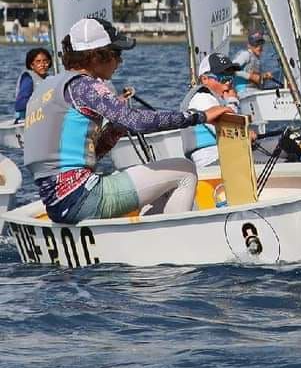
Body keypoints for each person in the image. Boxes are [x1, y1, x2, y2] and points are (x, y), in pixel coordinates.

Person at [22, 17, 233, 223]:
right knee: (185, 170)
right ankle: (169, 244)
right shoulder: (84, 85)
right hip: (82, 196)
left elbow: (89, 153)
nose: (120, 61)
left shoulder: (47, 88)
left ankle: (150, 238)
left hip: (56, 204)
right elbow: (137, 121)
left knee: (160, 176)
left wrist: (117, 126)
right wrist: (200, 116)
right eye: (117, 53)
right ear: (96, 56)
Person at [185, 52, 243, 168]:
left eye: (231, 77)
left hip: (227, 156)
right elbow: (232, 134)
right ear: (205, 79)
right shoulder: (202, 98)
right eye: (223, 78)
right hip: (212, 163)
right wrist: (232, 100)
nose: (228, 83)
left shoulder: (217, 99)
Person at [13, 46, 52, 121]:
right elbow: (20, 105)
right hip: (27, 119)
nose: (42, 64)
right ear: (32, 65)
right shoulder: (28, 78)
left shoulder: (50, 79)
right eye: (38, 61)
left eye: (45, 61)